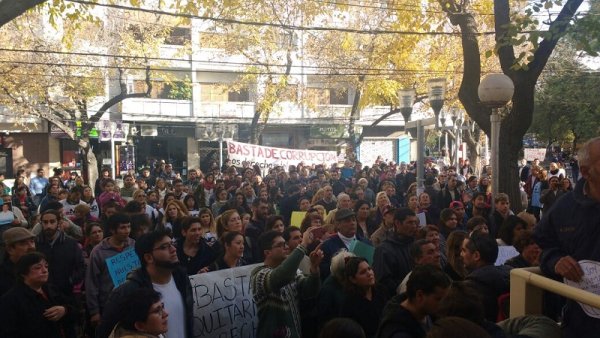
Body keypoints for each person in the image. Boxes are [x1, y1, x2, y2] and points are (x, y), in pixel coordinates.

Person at [534, 136, 600, 337]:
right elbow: (542, 247)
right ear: (586, 171)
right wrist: (555, 261)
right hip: (583, 323)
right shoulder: (563, 208)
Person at [97, 230, 193, 338]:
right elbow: (105, 331)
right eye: (164, 247)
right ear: (148, 257)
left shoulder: (181, 278)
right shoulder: (127, 291)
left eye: (172, 244)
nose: (173, 249)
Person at [251, 228, 323, 338]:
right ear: (267, 252)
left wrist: (314, 268)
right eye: (280, 245)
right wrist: (303, 245)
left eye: (285, 244)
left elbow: (310, 291)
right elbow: (281, 276)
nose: (286, 247)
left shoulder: (292, 272)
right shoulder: (259, 274)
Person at [0, 252, 78, 338]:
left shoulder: (51, 290)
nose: (45, 271)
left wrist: (64, 310)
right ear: (23, 273)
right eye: (38, 267)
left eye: (46, 266)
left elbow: (74, 308)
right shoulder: (10, 299)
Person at [86, 213, 135, 327]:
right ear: (113, 230)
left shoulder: (133, 245)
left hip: (132, 302)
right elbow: (92, 283)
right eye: (122, 227)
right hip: (110, 306)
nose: (127, 230)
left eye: (128, 226)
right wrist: (94, 312)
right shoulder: (98, 252)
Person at [375, 265, 452, 338]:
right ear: (420, 296)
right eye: (438, 299)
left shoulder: (424, 312)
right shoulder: (399, 333)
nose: (444, 304)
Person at [461, 233, 512, 322]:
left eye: (464, 250)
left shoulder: (471, 286)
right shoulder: (511, 275)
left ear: (476, 256)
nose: (461, 254)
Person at [36, 209, 85, 297]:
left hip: (66, 292)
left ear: (58, 222)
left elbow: (80, 266)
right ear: (41, 223)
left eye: (52, 222)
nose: (48, 225)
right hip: (41, 293)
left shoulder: (71, 243)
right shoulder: (35, 244)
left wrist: (70, 281)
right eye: (45, 222)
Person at [373, 208, 418, 296]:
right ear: (397, 223)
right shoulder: (384, 250)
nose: (414, 226)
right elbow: (383, 283)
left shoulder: (416, 244)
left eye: (415, 222)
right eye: (409, 222)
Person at [341, 257, 389, 338]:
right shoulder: (349, 303)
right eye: (363, 272)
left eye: (369, 269)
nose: (369, 273)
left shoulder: (381, 290)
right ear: (353, 279)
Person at [319, 208, 371, 280]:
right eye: (347, 221)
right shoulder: (327, 246)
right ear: (338, 225)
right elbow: (324, 272)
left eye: (354, 220)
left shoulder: (366, 243)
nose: (352, 223)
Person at [0, 227, 36, 296]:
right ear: (10, 249)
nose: (31, 246)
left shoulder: (40, 268)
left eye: (32, 241)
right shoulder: (3, 276)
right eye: (23, 243)